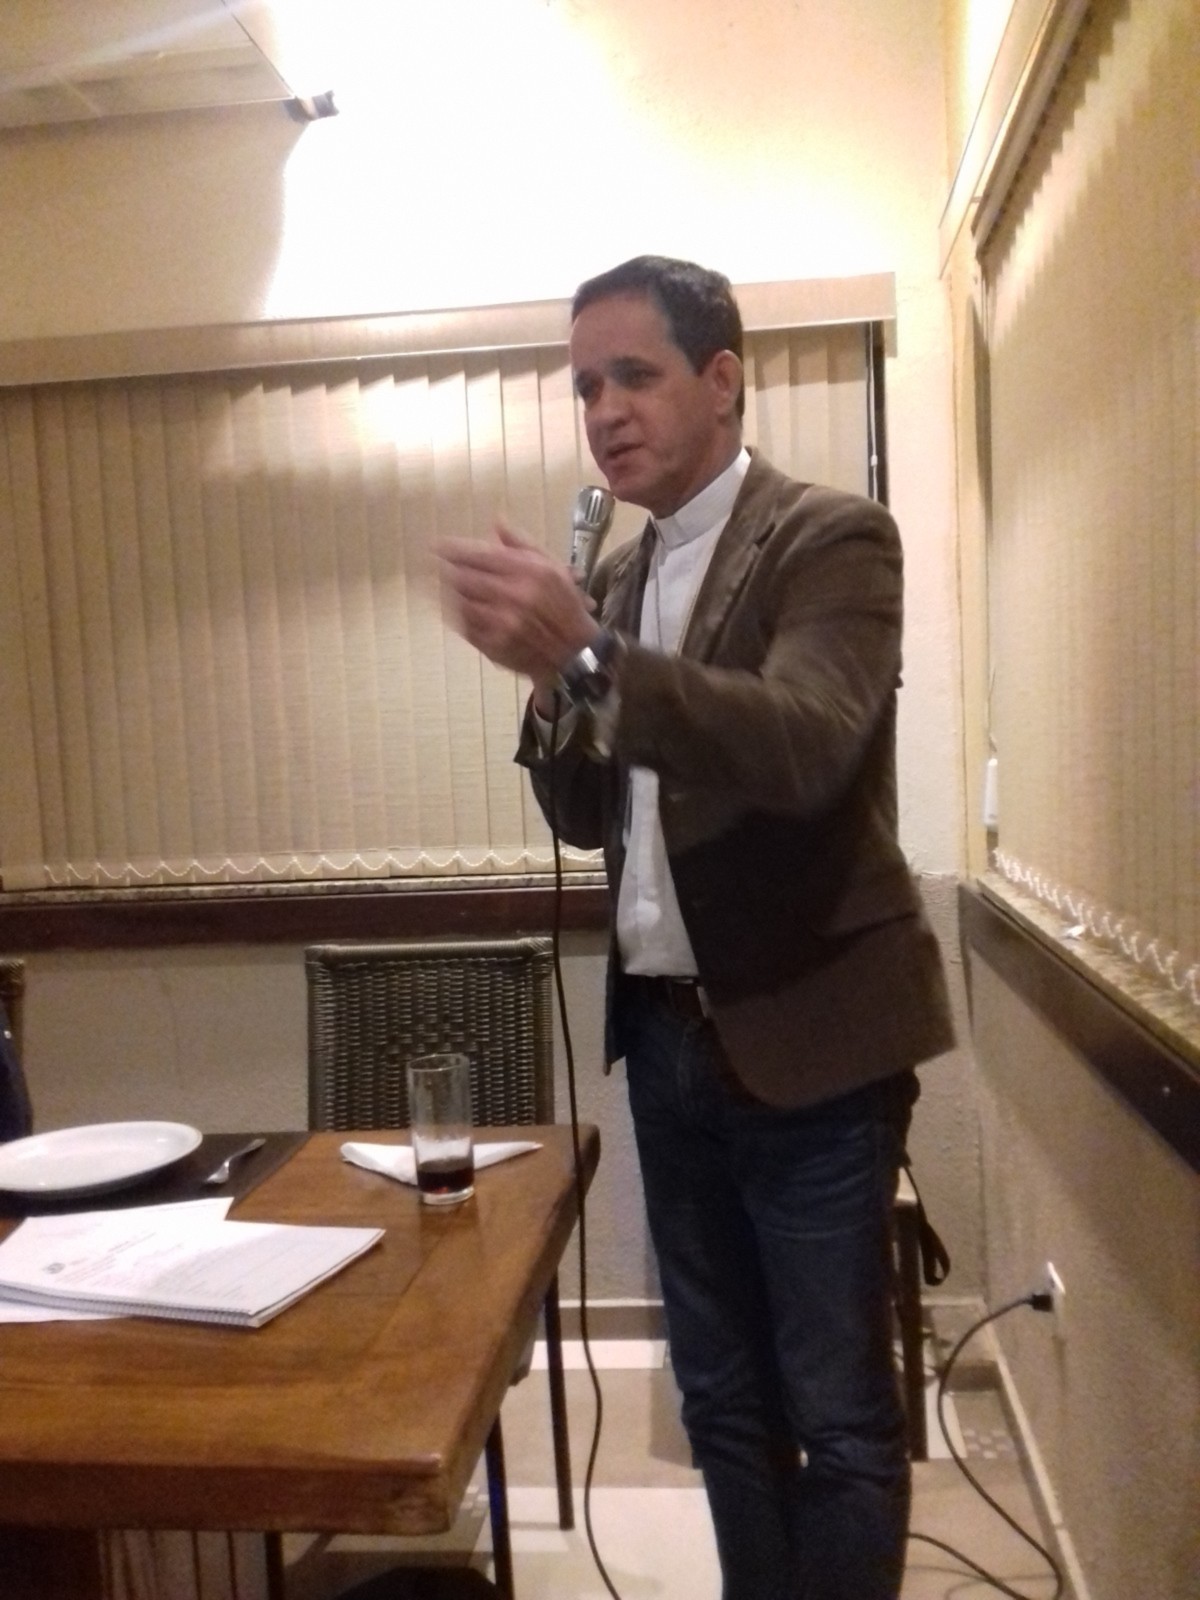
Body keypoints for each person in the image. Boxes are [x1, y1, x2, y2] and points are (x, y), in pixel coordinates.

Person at [439, 254, 954, 1600]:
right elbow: (583, 815)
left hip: (813, 1041)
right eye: (584, 387)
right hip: (666, 1044)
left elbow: (802, 743)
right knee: (721, 1399)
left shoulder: (831, 539)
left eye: (634, 375)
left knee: (837, 1411)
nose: (604, 411)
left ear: (722, 381)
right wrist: (549, 687)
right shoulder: (612, 580)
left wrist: (586, 658)